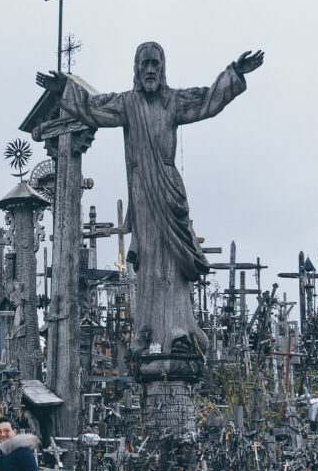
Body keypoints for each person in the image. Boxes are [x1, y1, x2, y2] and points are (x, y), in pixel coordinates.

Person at [37, 44, 263, 359]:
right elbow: (95, 109)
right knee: (150, 268)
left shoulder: (174, 101)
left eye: (156, 64)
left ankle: (178, 329)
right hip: (142, 193)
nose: (151, 70)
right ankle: (149, 332)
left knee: (171, 267)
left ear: (164, 67)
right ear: (137, 69)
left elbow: (208, 100)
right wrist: (66, 90)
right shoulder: (128, 103)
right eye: (145, 65)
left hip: (168, 191)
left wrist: (235, 74)